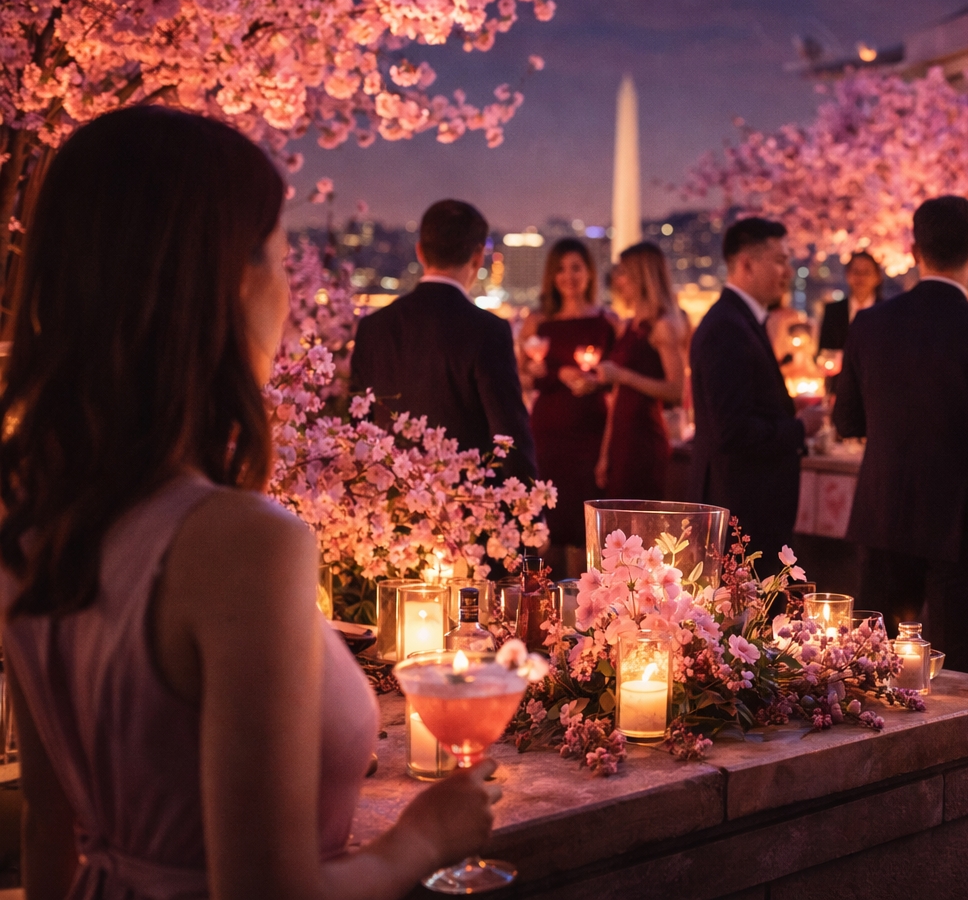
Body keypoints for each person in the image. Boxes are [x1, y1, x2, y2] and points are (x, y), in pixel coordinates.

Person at [0, 107, 498, 898]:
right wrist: (422, 838)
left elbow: (50, 829)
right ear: (221, 282)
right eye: (276, 256)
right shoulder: (237, 542)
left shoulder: (30, 517)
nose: (291, 299)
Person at [833, 196, 968, 675]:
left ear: (913, 249)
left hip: (886, 514)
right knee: (959, 674)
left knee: (873, 672)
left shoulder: (870, 323)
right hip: (964, 526)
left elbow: (847, 423)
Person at [352, 199, 536, 484]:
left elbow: (358, 428)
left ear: (420, 252)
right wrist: (529, 514)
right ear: (478, 256)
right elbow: (508, 435)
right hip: (468, 505)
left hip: (389, 502)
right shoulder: (489, 330)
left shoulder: (373, 328)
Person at [689, 218, 824, 559]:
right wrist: (800, 427)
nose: (787, 271)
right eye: (779, 260)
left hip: (748, 506)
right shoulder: (727, 328)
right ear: (747, 263)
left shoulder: (742, 321)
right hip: (741, 510)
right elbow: (733, 429)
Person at [519, 238, 616, 575]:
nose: (568, 276)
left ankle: (580, 604)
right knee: (548, 517)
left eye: (576, 268)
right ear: (551, 276)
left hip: (590, 431)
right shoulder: (538, 322)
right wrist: (533, 372)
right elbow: (522, 378)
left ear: (589, 272)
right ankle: (544, 603)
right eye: (560, 269)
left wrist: (598, 380)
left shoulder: (608, 321)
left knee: (583, 523)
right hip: (548, 431)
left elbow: (618, 379)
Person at [585, 242, 686, 499]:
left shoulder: (662, 326)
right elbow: (618, 395)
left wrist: (623, 375)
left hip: (644, 439)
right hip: (622, 436)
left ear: (642, 277)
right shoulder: (630, 325)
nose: (618, 280)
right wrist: (605, 452)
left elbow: (676, 391)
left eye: (624, 273)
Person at [817, 250, 883, 352]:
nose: (860, 277)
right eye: (856, 271)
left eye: (866, 272)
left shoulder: (887, 311)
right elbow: (826, 351)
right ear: (847, 275)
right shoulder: (833, 311)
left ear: (877, 277)